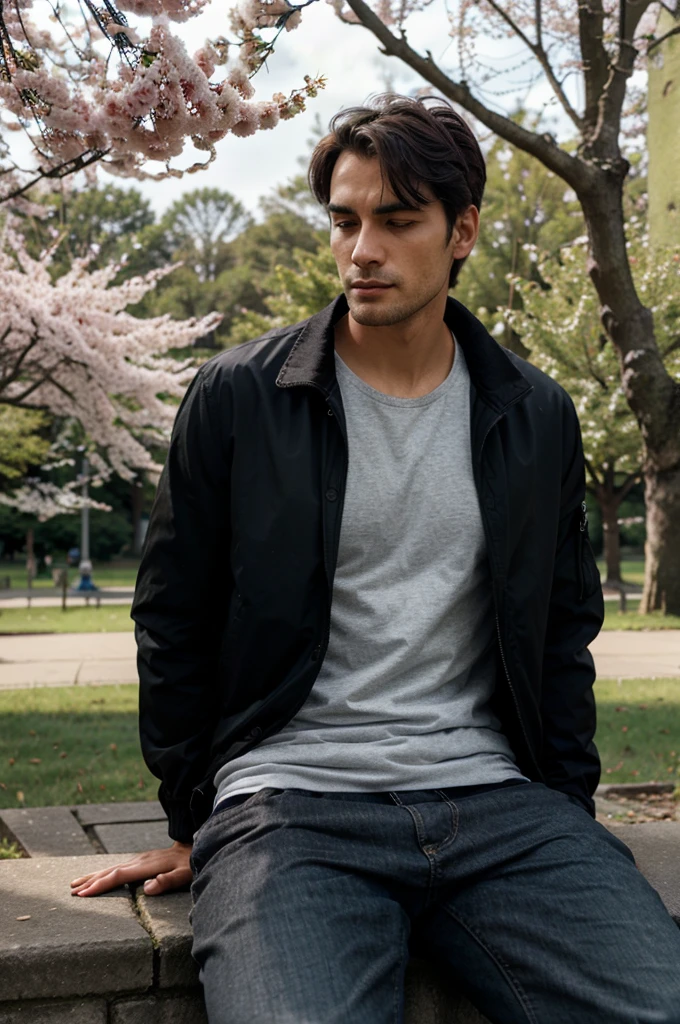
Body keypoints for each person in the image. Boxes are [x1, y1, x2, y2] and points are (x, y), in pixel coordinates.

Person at [71, 95, 680, 1023]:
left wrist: (568, 816)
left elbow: (561, 632)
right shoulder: (240, 397)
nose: (363, 249)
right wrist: (200, 816)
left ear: (462, 230)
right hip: (291, 810)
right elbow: (173, 617)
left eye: (397, 222)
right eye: (346, 221)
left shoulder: (535, 415)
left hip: (498, 804)